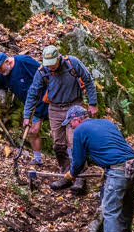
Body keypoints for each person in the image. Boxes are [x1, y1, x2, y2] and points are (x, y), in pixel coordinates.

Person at [52, 106, 134, 232]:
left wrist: (71, 175)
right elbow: (113, 146)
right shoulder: (106, 123)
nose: (71, 127)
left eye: (71, 123)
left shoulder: (80, 130)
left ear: (77, 119)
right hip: (132, 167)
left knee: (111, 212)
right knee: (126, 210)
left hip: (117, 171)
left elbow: (79, 160)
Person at [23, 45, 98, 194]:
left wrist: (92, 103)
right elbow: (33, 93)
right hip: (55, 108)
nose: (50, 67)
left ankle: (80, 177)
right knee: (58, 144)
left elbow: (88, 81)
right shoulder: (42, 71)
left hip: (74, 106)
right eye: (48, 64)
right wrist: (27, 116)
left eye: (52, 64)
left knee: (74, 142)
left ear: (58, 58)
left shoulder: (72, 63)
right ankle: (66, 173)